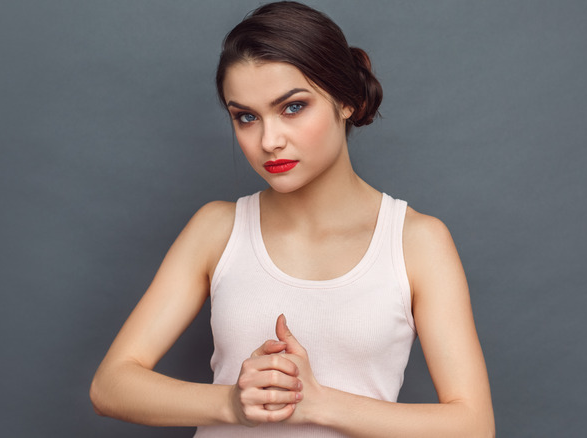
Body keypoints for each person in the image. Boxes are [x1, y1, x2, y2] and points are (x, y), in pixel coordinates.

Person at [90, 2, 494, 436]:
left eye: (293, 107)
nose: (268, 140)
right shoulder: (216, 229)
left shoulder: (416, 242)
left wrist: (318, 403)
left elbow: (472, 425)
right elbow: (111, 385)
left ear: (347, 100)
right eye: (246, 117)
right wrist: (231, 402)